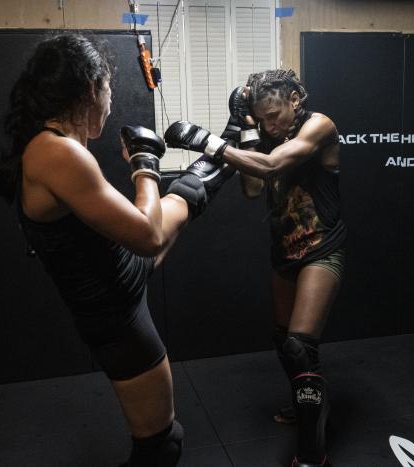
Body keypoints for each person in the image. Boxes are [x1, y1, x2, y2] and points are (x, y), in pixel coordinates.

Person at [0, 34, 229, 467]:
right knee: (160, 446)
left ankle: (229, 144)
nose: (111, 102)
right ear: (89, 89)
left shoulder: (50, 146)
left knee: (187, 194)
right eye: (109, 90)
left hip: (118, 277)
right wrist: (144, 164)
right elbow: (149, 235)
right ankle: (227, 151)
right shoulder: (59, 154)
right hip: (115, 313)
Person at [164, 69, 345, 467]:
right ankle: (308, 403)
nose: (270, 124)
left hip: (321, 250)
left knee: (301, 347)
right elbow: (252, 189)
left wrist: (205, 140)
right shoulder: (265, 134)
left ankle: (312, 453)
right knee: (284, 342)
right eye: (262, 118)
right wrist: (247, 132)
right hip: (283, 253)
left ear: (296, 99)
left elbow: (270, 167)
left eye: (275, 115)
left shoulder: (319, 126)